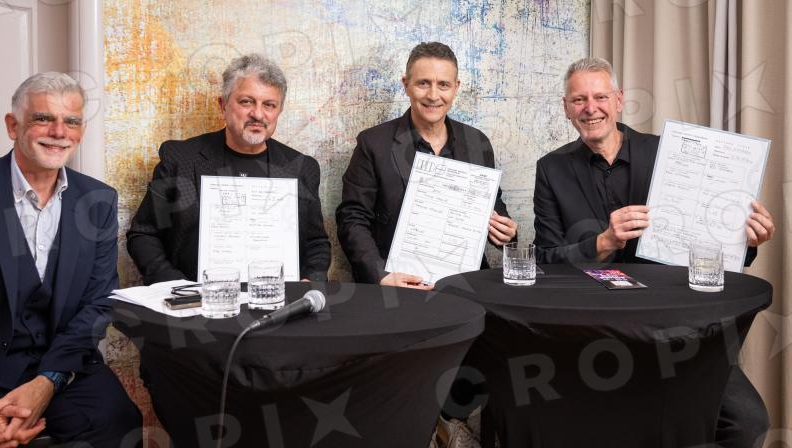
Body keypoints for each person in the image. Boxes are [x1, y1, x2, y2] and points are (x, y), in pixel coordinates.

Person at [533, 57, 773, 447]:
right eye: (579, 100)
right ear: (566, 107)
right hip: (593, 332)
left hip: (680, 326)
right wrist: (601, 243)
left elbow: (708, 239)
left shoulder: (670, 153)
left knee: (748, 421)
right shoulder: (551, 169)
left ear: (619, 100)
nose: (591, 108)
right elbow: (544, 260)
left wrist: (744, 242)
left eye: (600, 97)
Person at [0, 72, 141, 447]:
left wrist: (47, 382)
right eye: (43, 118)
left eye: (71, 121)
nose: (59, 132)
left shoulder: (98, 201)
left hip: (61, 362)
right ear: (13, 125)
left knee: (120, 421)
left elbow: (98, 304)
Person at [127, 53, 330, 284]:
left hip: (277, 299)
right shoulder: (180, 160)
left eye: (269, 105)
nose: (258, 114)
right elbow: (145, 234)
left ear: (279, 111)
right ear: (223, 105)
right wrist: (177, 286)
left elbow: (316, 243)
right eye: (246, 102)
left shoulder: (301, 168)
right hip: (195, 301)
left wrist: (310, 280)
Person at [336, 42, 518, 288]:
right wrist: (381, 275)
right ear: (406, 85)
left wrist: (507, 233)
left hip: (465, 285)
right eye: (423, 83)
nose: (433, 95)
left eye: (443, 84)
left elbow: (493, 208)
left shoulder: (477, 142)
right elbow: (352, 218)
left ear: (456, 88)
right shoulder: (373, 144)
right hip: (400, 285)